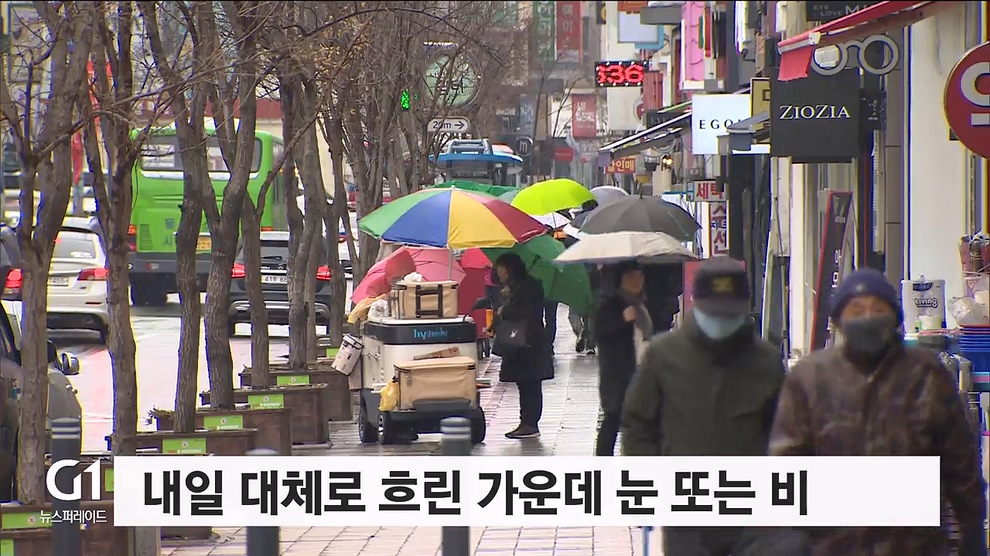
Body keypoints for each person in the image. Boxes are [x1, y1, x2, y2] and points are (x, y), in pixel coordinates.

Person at [770, 269, 987, 556]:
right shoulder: (811, 377)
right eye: (857, 310)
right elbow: (786, 461)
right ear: (839, 320)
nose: (868, 318)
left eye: (878, 309)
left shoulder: (925, 374)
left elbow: (960, 461)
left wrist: (972, 531)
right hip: (832, 545)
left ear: (894, 317)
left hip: (913, 545)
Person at [622, 256, 805, 555]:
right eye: (713, 313)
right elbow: (638, 424)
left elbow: (785, 433)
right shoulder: (664, 355)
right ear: (697, 304)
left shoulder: (766, 360)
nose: (721, 321)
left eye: (729, 313)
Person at [492, 252, 554, 439]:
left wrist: (505, 308)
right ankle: (526, 422)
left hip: (528, 343)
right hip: (524, 342)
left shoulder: (527, 288)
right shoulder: (520, 287)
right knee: (525, 383)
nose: (499, 274)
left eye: (501, 270)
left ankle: (530, 424)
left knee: (530, 383)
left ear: (510, 269)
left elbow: (523, 312)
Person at [593, 261, 650, 456]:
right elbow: (600, 331)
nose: (636, 281)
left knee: (636, 421)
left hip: (641, 369)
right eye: (630, 277)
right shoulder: (612, 304)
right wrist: (622, 319)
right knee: (613, 418)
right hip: (618, 373)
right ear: (620, 280)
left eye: (639, 276)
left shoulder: (641, 303)